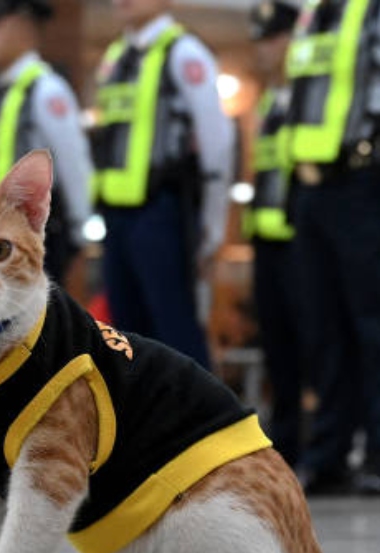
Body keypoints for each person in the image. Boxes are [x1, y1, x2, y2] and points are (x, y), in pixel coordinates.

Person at [91, 0, 234, 369]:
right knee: (124, 335)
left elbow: (217, 144)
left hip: (162, 210)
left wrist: (213, 223)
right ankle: (140, 423)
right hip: (117, 216)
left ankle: (199, 422)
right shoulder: (116, 56)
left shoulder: (184, 52)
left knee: (174, 328)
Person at [285, 0, 380, 494]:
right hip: (310, 189)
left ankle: (376, 457)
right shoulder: (314, 13)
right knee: (322, 329)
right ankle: (329, 455)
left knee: (371, 324)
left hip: (362, 180)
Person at [0, 0, 93, 286]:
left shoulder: (46, 89)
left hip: (36, 237)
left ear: (23, 27)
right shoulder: (0, 94)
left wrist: (80, 232)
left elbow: (74, 163)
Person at [244, 1, 303, 468]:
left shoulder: (310, 97)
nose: (265, 50)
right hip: (266, 239)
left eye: (273, 39)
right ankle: (286, 436)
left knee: (317, 343)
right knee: (277, 344)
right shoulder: (267, 101)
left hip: (302, 239)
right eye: (260, 41)